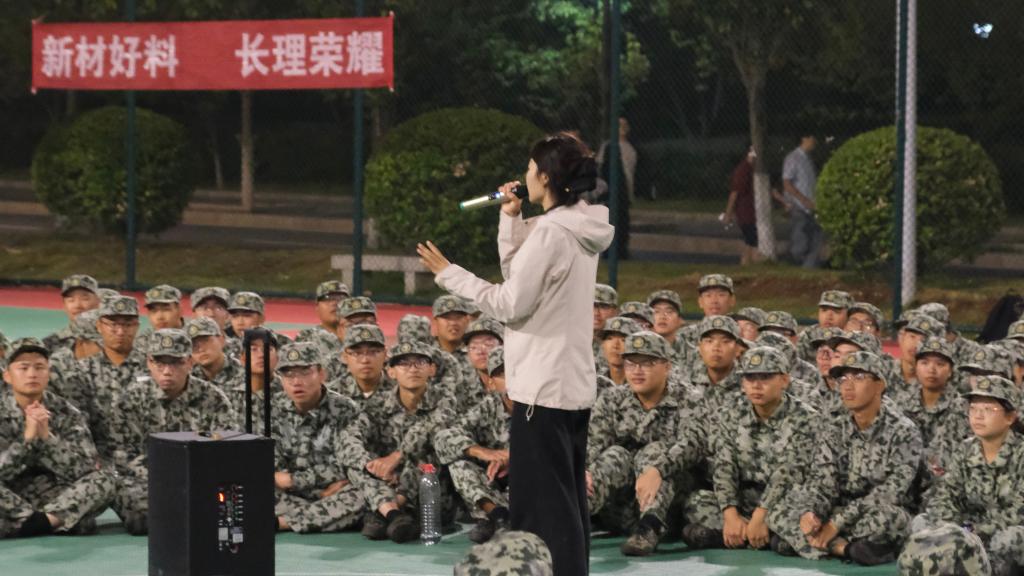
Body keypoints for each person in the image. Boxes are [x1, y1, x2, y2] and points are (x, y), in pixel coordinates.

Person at [417, 132, 614, 575]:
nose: (523, 175)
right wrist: (511, 218)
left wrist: (451, 275)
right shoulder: (577, 224)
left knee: (544, 507)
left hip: (541, 390)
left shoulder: (552, 234)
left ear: (545, 177)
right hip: (568, 385)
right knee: (565, 499)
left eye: (529, 169)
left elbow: (509, 303)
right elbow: (521, 276)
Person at [787, 351, 923, 565]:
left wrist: (836, 524)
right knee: (791, 504)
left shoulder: (904, 432)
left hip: (877, 512)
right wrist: (811, 512)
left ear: (880, 385)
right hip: (840, 511)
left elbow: (889, 493)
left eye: (859, 377)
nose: (848, 386)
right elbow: (823, 482)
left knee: (890, 519)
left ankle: (825, 545)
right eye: (843, 379)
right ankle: (846, 548)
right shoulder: (834, 428)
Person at [680, 347, 818, 557]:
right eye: (749, 378)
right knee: (696, 502)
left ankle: (734, 536)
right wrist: (730, 514)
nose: (756, 385)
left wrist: (761, 516)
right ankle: (758, 537)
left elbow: (788, 473)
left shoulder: (806, 419)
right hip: (745, 500)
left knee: (801, 514)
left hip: (783, 501)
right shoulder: (731, 413)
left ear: (784, 380)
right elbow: (724, 466)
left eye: (765, 377)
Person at [113, 329, 236, 534]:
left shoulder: (213, 399)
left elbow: (224, 449)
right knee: (142, 515)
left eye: (175, 363)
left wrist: (189, 477)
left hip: (197, 478)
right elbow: (123, 457)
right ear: (149, 363)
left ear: (189, 362)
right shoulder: (130, 400)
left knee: (234, 506)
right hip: (147, 480)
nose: (167, 371)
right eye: (160, 363)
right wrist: (166, 477)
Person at [901, 375, 1024, 576]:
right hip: (965, 532)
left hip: (997, 535)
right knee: (922, 522)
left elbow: (1017, 514)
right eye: (973, 408)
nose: (978, 416)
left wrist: (974, 532)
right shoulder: (966, 449)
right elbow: (946, 496)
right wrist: (955, 530)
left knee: (1013, 538)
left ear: (1010, 417)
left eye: (988, 409)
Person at [585, 331, 695, 557]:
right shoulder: (612, 399)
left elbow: (693, 443)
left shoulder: (688, 398)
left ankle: (648, 529)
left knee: (655, 452)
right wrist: (583, 470)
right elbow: (593, 443)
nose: (636, 371)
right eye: (631, 363)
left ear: (667, 366)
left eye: (646, 363)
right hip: (621, 507)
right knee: (615, 454)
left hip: (669, 508)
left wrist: (658, 470)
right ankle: (573, 516)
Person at [0, 338, 115, 537]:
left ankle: (35, 524)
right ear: (8, 375)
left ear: (49, 374)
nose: (32, 374)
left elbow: (83, 471)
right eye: (23, 367)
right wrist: (27, 441)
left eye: (39, 367)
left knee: (106, 479)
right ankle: (53, 522)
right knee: (82, 521)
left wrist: (48, 439)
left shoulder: (66, 412)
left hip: (53, 497)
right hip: (9, 496)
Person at [273, 342, 366, 533]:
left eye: (305, 372)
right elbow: (270, 467)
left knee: (364, 494)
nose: (296, 382)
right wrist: (316, 494)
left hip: (334, 492)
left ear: (322, 374)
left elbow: (346, 464)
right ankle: (317, 517)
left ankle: (280, 523)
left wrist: (295, 480)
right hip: (293, 495)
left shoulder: (345, 409)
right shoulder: (272, 408)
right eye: (288, 374)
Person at [434, 346, 512, 544]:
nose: (513, 378)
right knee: (459, 464)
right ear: (492, 383)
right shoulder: (490, 405)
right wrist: (482, 452)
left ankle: (497, 522)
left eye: (517, 370)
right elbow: (444, 437)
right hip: (496, 482)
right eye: (504, 374)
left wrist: (516, 457)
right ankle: (497, 517)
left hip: (531, 484)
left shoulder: (544, 405)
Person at [596, 117, 635, 260]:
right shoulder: (614, 147)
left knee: (618, 221)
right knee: (615, 220)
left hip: (620, 189)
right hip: (616, 189)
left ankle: (616, 250)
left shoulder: (626, 149)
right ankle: (615, 250)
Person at [782, 134, 822, 268]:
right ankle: (792, 263)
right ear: (804, 138)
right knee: (800, 242)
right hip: (799, 206)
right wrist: (803, 200)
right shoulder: (793, 158)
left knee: (815, 239)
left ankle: (809, 269)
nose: (815, 141)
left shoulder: (808, 159)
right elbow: (787, 183)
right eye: (812, 137)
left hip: (812, 207)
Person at [43, 274, 101, 353]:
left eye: (85, 299)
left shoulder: (112, 339)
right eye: (71, 300)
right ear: (64, 305)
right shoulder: (52, 343)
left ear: (98, 303)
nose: (77, 305)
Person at [723, 146, 759, 265]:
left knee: (750, 243)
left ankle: (747, 264)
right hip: (746, 214)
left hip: (751, 213)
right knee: (752, 243)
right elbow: (735, 193)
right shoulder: (743, 170)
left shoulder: (752, 169)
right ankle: (747, 263)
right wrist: (728, 213)